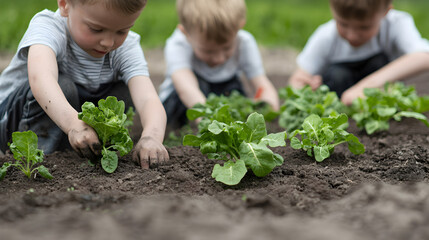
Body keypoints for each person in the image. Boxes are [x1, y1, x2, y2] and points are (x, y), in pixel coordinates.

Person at [0, 0, 169, 169]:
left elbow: (148, 98)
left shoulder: (126, 47)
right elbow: (41, 79)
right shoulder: (48, 27)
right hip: (14, 120)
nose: (108, 42)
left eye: (122, 31)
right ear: (65, 5)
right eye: (96, 29)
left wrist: (151, 137)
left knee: (123, 93)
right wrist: (73, 125)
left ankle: (83, 151)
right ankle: (38, 158)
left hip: (75, 124)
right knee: (63, 86)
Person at [158, 0, 280, 130]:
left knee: (237, 95)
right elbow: (186, 87)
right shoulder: (178, 44)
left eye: (227, 48)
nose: (218, 58)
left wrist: (269, 105)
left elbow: (261, 83)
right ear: (185, 33)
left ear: (239, 26)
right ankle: (186, 126)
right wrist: (205, 118)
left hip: (224, 91)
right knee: (190, 94)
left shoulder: (245, 42)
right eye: (208, 51)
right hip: (185, 98)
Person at [289, 0, 429, 105]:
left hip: (379, 100)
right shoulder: (325, 36)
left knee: (378, 63)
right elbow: (297, 80)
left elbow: (424, 57)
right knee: (337, 74)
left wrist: (365, 88)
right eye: (343, 24)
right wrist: (307, 87)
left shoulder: (396, 24)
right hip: (337, 103)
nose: (352, 36)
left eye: (364, 27)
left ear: (386, 12)